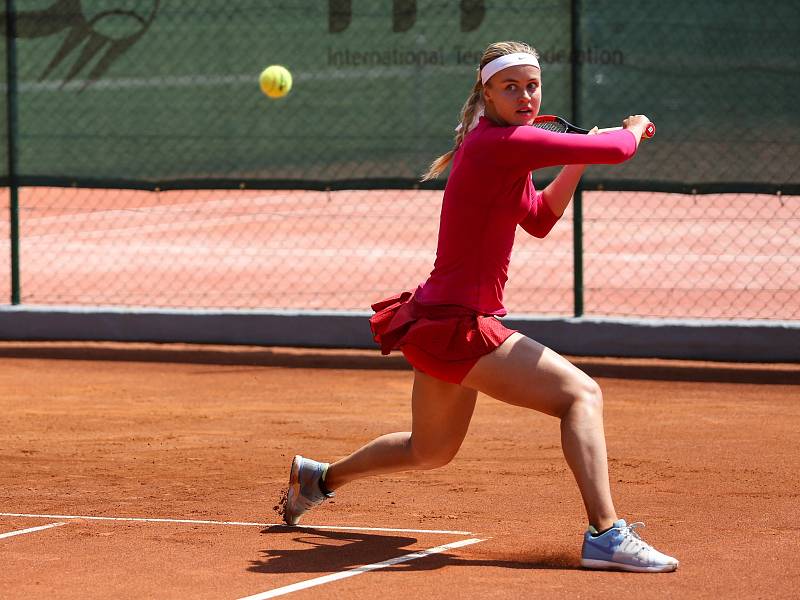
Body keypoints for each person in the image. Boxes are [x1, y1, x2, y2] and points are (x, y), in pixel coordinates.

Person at [279, 41, 678, 573]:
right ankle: (606, 533)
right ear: (486, 92)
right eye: (510, 86)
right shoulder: (499, 143)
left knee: (429, 450)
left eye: (532, 85)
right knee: (581, 395)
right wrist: (632, 128)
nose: (524, 95)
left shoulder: (498, 148)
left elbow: (538, 217)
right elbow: (622, 151)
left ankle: (319, 479)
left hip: (437, 319)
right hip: (458, 324)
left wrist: (580, 154)